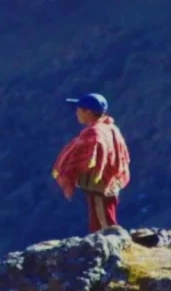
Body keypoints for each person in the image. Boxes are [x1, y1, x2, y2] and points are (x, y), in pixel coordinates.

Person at [52, 93, 131, 234]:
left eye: (79, 109)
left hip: (99, 184)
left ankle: (112, 245)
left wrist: (70, 173)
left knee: (103, 223)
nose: (77, 113)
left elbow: (84, 158)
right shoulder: (111, 128)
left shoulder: (94, 133)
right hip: (110, 181)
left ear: (88, 112)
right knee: (103, 215)